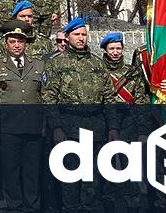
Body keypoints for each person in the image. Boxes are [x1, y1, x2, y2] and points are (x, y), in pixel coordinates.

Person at [41, 17, 116, 213]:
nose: (81, 38)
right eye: (77, 34)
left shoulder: (97, 63)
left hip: (96, 128)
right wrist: (56, 127)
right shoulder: (57, 63)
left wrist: (113, 127)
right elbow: (49, 97)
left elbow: (108, 97)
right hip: (68, 127)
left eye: (84, 34)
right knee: (70, 179)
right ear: (67, 37)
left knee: (92, 179)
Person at [0, 20, 44, 213]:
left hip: (33, 126)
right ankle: (15, 206)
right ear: (5, 43)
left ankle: (32, 206)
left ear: (26, 43)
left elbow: (44, 95)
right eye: (12, 41)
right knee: (10, 170)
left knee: (32, 170)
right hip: (8, 127)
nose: (16, 45)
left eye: (20, 41)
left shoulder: (38, 65)